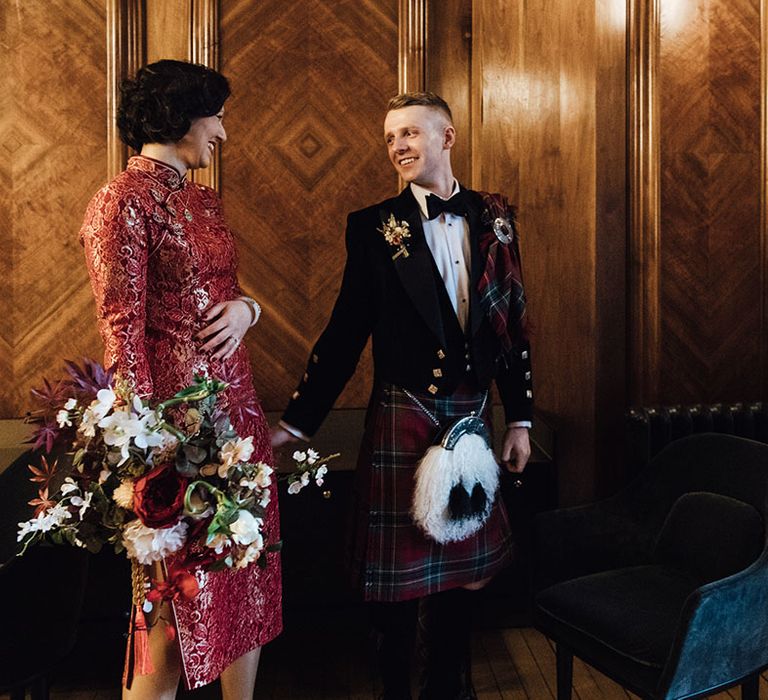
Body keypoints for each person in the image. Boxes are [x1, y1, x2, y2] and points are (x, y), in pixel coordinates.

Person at [272, 92, 533, 699]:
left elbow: (513, 325)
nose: (398, 147)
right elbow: (344, 332)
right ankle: (393, 688)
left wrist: (519, 417)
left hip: (473, 417)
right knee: (399, 580)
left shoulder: (496, 220)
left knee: (463, 572)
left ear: (447, 137)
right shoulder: (373, 228)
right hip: (406, 413)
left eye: (411, 133)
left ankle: (450, 684)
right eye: (390, 138)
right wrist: (299, 422)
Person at [80, 59, 281, 698]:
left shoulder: (201, 198)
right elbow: (121, 327)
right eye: (216, 116)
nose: (222, 131)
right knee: (169, 603)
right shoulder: (120, 202)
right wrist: (142, 447)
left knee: (244, 577)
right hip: (173, 434)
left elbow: (222, 292)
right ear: (181, 115)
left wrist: (249, 310)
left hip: (236, 421)